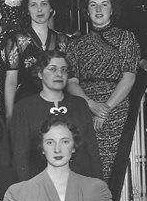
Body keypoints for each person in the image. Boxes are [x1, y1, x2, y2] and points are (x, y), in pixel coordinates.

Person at [66, 0, 140, 181]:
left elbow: (129, 77)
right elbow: (72, 82)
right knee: (83, 164)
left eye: (104, 4)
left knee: (112, 164)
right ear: (87, 11)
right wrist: (90, 104)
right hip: (84, 106)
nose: (99, 9)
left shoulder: (126, 38)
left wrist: (105, 108)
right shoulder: (76, 44)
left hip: (115, 105)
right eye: (93, 4)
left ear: (112, 9)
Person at [10, 50, 102, 181]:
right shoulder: (24, 108)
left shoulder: (80, 105)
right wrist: (25, 192)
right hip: (41, 186)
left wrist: (99, 189)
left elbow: (92, 151)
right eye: (52, 69)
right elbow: (20, 157)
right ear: (40, 73)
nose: (59, 74)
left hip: (80, 184)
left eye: (64, 70)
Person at [2, 0, 70, 122]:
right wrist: (9, 116)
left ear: (51, 8)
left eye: (44, 4)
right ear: (27, 10)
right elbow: (11, 81)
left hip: (57, 105)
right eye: (33, 5)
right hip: (26, 105)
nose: (39, 9)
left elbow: (69, 79)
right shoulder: (16, 39)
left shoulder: (63, 40)